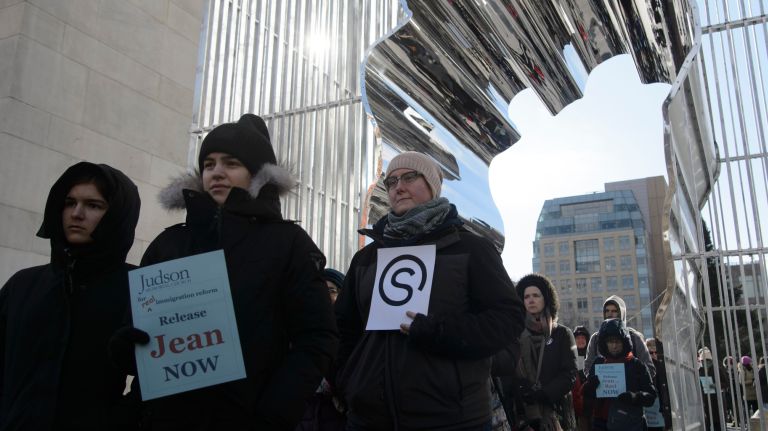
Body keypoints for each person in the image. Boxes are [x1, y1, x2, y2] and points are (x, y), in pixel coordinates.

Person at [125, 113, 339, 430]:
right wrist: (129, 349)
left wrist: (272, 415)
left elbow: (317, 338)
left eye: (231, 163)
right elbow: (142, 333)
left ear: (256, 175)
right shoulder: (169, 243)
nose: (217, 172)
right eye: (209, 164)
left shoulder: (287, 243)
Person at [335, 151, 525, 430]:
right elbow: (341, 329)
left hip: (452, 419)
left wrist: (439, 331)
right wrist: (348, 382)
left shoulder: (471, 248)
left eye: (410, 177)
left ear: (433, 186)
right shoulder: (367, 258)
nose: (398, 186)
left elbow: (508, 319)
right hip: (368, 419)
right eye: (391, 182)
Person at [0, 162, 141, 430]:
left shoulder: (138, 288)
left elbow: (158, 381)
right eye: (69, 202)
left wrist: (121, 419)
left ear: (117, 215)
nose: (76, 214)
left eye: (93, 205)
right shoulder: (23, 285)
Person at [512, 273, 577, 431]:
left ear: (546, 299)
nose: (531, 300)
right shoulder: (514, 334)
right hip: (524, 415)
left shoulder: (562, 334)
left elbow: (570, 374)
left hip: (555, 412)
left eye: (536, 295)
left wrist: (544, 394)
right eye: (526, 296)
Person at [581, 319, 656, 431]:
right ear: (604, 343)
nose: (614, 346)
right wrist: (589, 388)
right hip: (601, 423)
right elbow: (587, 400)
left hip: (629, 423)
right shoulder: (599, 363)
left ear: (625, 341)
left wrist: (635, 397)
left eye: (618, 341)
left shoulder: (637, 365)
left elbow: (651, 396)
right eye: (610, 341)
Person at [296, 268, 347, 431]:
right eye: (320, 291)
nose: (325, 297)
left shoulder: (353, 336)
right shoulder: (298, 333)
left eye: (331, 290)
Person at [584, 296, 655, 379]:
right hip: (606, 389)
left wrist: (631, 379)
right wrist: (596, 380)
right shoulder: (596, 339)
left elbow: (650, 369)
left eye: (614, 311)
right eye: (607, 311)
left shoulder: (634, 337)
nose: (610, 314)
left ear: (622, 313)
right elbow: (588, 368)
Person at [645, 339, 671, 431]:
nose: (654, 355)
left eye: (656, 352)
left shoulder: (666, 366)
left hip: (663, 407)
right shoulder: (645, 366)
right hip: (650, 408)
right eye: (651, 353)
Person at [572, 326, 590, 429]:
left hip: (591, 401)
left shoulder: (592, 356)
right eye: (578, 338)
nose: (581, 340)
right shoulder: (569, 355)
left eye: (583, 338)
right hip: (576, 402)